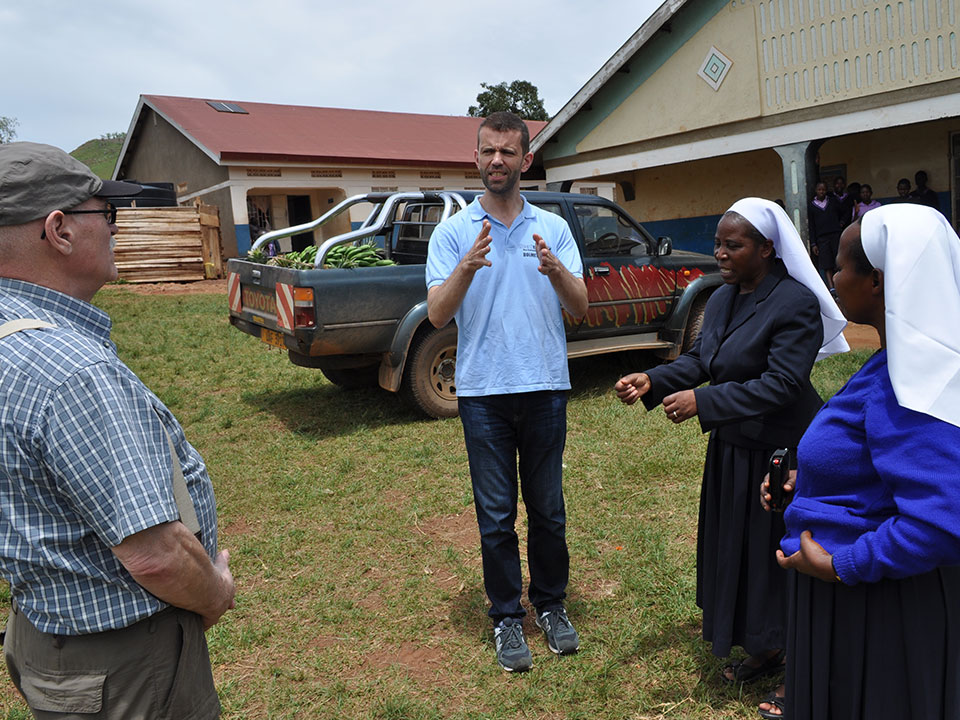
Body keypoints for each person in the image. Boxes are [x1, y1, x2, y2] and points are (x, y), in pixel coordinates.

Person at [0, 142, 235, 718]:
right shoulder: (73, 371)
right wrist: (214, 594)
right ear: (59, 230)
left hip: (44, 636)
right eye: (104, 215)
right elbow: (154, 556)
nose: (114, 228)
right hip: (123, 663)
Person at [615, 198, 847, 713]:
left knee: (779, 561)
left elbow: (783, 384)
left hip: (779, 454)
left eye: (732, 244)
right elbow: (703, 359)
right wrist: (653, 379)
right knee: (739, 553)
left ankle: (801, 673)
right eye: (718, 243)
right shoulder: (720, 298)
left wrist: (704, 401)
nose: (719, 252)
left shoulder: (795, 304)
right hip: (733, 448)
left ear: (766, 248)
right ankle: (764, 647)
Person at [767, 204, 960, 719]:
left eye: (840, 265)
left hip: (879, 615)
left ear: (876, 281)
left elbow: (941, 522)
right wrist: (805, 481)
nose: (832, 275)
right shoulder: (900, 360)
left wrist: (840, 564)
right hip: (864, 601)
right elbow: (878, 466)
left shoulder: (912, 383)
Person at [424, 112, 588, 672]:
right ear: (476, 158)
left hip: (544, 386)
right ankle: (505, 618)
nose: (497, 160)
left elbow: (581, 305)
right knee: (495, 515)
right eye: (488, 151)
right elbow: (439, 312)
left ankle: (551, 606)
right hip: (484, 393)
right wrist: (467, 267)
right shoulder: (452, 234)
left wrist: (555, 270)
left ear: (526, 159)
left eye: (508, 152)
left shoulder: (554, 227)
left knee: (549, 510)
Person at [808, 181, 843, 289]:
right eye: (819, 190)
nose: (821, 192)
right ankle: (831, 287)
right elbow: (811, 226)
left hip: (835, 235)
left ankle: (839, 285)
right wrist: (813, 243)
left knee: (838, 261)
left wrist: (841, 222)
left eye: (823, 190)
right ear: (816, 191)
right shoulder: (812, 206)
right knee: (827, 264)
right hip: (822, 238)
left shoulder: (832, 201)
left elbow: (843, 211)